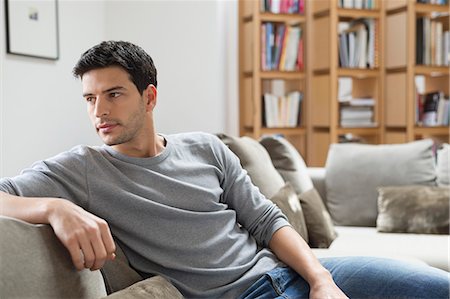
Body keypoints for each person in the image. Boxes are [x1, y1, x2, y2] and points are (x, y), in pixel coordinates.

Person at [0, 41, 448, 299]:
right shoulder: (82, 169)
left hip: (294, 272)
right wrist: (56, 207)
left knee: (434, 286)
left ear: (150, 97)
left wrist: (320, 279)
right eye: (89, 98)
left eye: (113, 94)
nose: (99, 111)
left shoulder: (206, 148)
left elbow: (264, 219)